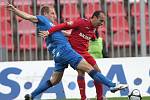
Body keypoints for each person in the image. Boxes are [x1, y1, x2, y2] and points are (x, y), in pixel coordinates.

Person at [7, 3, 128, 100]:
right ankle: (112, 86)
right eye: (52, 13)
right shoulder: (42, 19)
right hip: (65, 50)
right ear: (45, 13)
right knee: (90, 68)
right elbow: (28, 17)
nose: (54, 16)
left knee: (54, 80)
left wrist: (76, 34)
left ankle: (32, 95)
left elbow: (64, 33)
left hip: (57, 55)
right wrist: (15, 10)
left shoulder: (50, 25)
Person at [40, 10, 128, 100]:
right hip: (74, 53)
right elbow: (64, 25)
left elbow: (89, 35)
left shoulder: (93, 28)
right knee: (81, 72)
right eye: (101, 21)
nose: (102, 24)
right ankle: (84, 98)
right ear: (94, 18)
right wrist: (49, 32)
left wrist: (93, 37)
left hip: (84, 52)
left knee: (97, 71)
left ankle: (100, 97)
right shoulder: (81, 22)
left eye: (103, 21)